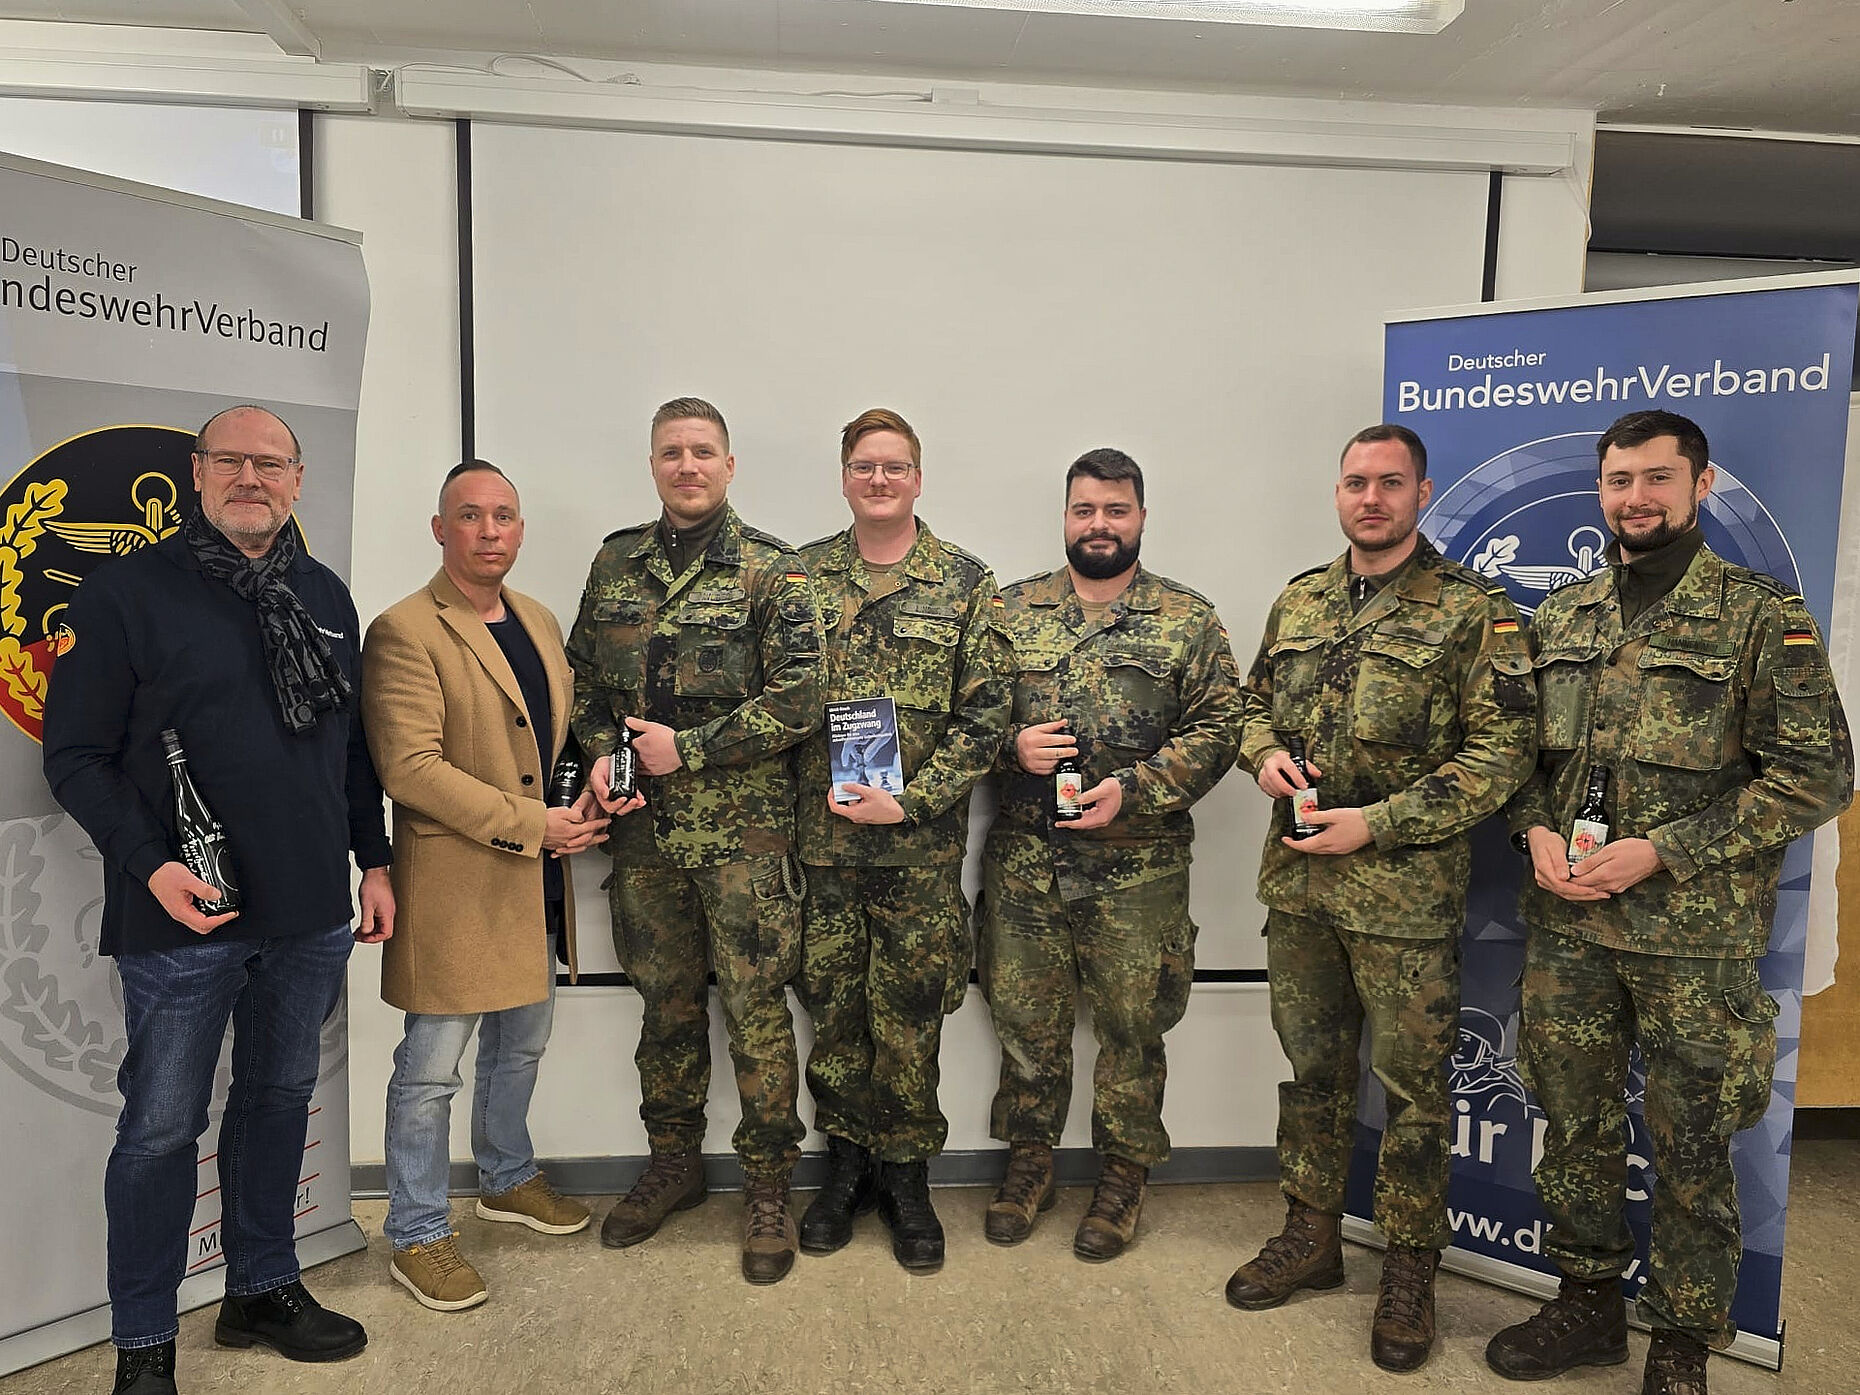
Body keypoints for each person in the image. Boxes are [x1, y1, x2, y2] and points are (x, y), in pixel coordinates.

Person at [1485, 410, 1852, 1395]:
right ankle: (1589, 1303)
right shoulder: (1559, 619)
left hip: (1693, 941)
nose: (1636, 498)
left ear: (1700, 483)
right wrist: (1535, 830)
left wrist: (1666, 850)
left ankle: (1685, 1338)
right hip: (1570, 928)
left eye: (1656, 477)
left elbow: (1819, 777)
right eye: (1618, 480)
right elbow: (1509, 762)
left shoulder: (1759, 617)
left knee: (1692, 1143)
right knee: (1576, 1124)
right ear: (1599, 490)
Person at [41, 405, 395, 1395]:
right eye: (232, 460)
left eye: (270, 463)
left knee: (279, 1102)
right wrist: (150, 866)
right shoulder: (124, 594)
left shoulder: (323, 595)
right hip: (179, 916)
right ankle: (146, 1341)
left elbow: (352, 750)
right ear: (196, 475)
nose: (252, 476)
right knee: (158, 1131)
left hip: (310, 911)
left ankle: (261, 1286)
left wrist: (373, 862)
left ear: (297, 480)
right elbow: (73, 756)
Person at [1226, 423, 1536, 1373]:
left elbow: (1502, 754)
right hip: (1303, 888)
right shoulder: (1303, 598)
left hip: (1402, 899)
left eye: (1389, 483)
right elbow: (1249, 704)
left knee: (1412, 1095)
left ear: (1421, 492)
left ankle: (1408, 1268)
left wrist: (1382, 822)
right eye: (1357, 482)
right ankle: (1312, 1234)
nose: (1371, 498)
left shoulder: (1475, 612)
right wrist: (1265, 756)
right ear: (1339, 493)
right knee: (1312, 1075)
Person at [566, 396, 824, 1285]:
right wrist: (602, 756)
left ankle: (765, 1188)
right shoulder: (614, 562)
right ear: (653, 463)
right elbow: (583, 684)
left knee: (756, 1014)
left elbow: (801, 700)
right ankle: (672, 1162)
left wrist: (692, 749)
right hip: (644, 841)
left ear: (729, 464)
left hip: (746, 841)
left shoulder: (774, 572)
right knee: (664, 1007)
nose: (687, 465)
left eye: (702, 451)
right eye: (672, 451)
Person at [362, 461, 621, 1312]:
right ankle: (418, 1232)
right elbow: (410, 768)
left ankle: (507, 1177)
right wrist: (531, 821)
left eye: (504, 515)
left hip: (533, 876)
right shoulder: (405, 628)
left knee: (524, 1044)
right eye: (469, 516)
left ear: (520, 528)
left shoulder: (540, 619)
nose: (488, 530)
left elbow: (553, 745)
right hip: (460, 884)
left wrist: (581, 798)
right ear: (440, 529)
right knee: (431, 1069)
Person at [979, 447, 1240, 1262]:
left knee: (1134, 1029)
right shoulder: (1007, 612)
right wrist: (1007, 747)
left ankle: (1124, 1174)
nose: (1100, 525)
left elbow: (1222, 726)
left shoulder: (1186, 618)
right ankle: (1030, 1161)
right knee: (1026, 1025)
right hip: (1026, 864)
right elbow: (959, 722)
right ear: (1065, 515)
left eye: (1116, 510)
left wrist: (1140, 786)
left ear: (1140, 517)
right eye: (1085, 510)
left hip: (1140, 872)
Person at [792, 408, 1013, 1271]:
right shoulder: (801, 578)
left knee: (914, 1013)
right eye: (863, 466)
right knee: (836, 1011)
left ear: (918, 478)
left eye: (894, 466)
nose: (878, 479)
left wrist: (912, 801)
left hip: (918, 852)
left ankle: (908, 1173)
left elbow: (986, 715)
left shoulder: (964, 581)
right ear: (844, 477)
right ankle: (845, 1167)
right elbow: (778, 702)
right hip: (825, 847)